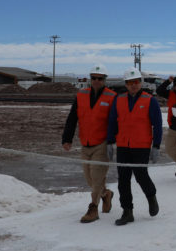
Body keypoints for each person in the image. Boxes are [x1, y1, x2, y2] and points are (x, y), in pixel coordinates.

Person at [106, 67, 162, 225]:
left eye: (136, 82)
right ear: (126, 84)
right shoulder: (119, 99)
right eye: (130, 82)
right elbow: (112, 122)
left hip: (141, 146)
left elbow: (157, 125)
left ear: (141, 83)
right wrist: (110, 142)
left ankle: (151, 197)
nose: (133, 85)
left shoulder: (150, 100)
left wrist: (156, 146)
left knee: (141, 175)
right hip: (123, 145)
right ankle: (127, 211)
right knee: (123, 180)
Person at [61, 64, 117, 223]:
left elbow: (115, 122)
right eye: (94, 78)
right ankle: (106, 194)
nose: (96, 81)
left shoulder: (112, 97)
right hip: (85, 143)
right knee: (90, 179)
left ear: (104, 80)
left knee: (97, 177)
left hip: (102, 143)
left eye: (100, 78)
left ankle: (93, 208)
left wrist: (112, 142)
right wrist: (67, 139)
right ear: (90, 79)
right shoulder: (81, 95)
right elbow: (72, 118)